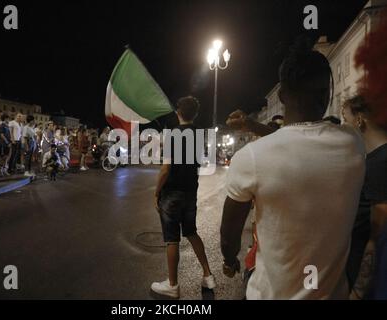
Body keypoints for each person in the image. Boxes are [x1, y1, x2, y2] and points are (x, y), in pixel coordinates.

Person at [221, 38, 365, 299]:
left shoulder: (252, 157)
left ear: (281, 96)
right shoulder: (353, 144)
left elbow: (228, 236)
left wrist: (230, 261)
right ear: (328, 94)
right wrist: (253, 125)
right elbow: (297, 139)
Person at [151, 96, 215, 299]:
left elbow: (166, 168)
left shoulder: (174, 135)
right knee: (191, 232)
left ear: (178, 112)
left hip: (172, 194)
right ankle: (208, 275)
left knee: (172, 240)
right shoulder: (199, 134)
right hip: (190, 192)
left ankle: (172, 285)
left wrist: (156, 191)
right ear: (195, 114)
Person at [341, 95, 387, 299]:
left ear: (359, 120)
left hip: (373, 281)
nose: (344, 125)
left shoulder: (378, 165)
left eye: (345, 119)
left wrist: (358, 292)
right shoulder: (376, 159)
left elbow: (376, 237)